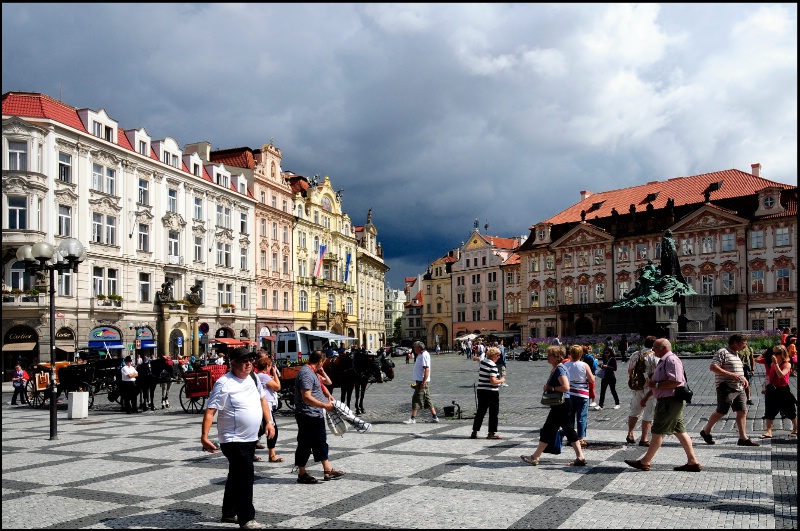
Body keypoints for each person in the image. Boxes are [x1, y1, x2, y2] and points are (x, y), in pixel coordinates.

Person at [201, 347, 274, 529]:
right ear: (232, 364)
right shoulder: (224, 383)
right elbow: (211, 411)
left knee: (236, 475)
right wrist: (204, 436)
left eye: (250, 360)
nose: (248, 363)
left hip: (250, 438)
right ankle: (246, 519)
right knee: (246, 476)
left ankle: (228, 512)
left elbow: (262, 399)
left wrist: (269, 422)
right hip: (232, 439)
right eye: (244, 361)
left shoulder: (253, 378)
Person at [624, 338, 702, 472]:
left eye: (655, 347)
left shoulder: (671, 360)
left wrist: (657, 386)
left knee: (657, 431)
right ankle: (692, 461)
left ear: (663, 348)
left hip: (669, 401)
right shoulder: (663, 360)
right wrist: (648, 395)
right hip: (667, 400)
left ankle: (645, 461)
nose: (652, 350)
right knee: (679, 431)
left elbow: (676, 381)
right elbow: (656, 383)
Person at [520, 345, 587, 466]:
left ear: (556, 357)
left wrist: (550, 387)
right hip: (561, 404)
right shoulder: (557, 368)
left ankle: (535, 457)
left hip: (562, 404)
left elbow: (566, 387)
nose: (547, 357)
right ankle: (580, 457)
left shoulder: (560, 369)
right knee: (558, 429)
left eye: (549, 355)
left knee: (553, 429)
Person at [699, 334, 759, 447]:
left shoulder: (736, 354)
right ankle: (706, 431)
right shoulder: (722, 352)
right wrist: (731, 375)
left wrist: (743, 378)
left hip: (739, 387)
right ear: (735, 343)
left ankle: (743, 438)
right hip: (726, 386)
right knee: (722, 411)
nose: (745, 346)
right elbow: (713, 367)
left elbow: (737, 370)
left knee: (742, 411)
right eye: (743, 344)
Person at [294, 350, 344, 484]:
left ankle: (327, 470)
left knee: (320, 441)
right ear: (320, 361)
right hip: (307, 414)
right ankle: (302, 473)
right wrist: (325, 405)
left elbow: (327, 383)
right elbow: (306, 397)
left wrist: (322, 372)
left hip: (315, 414)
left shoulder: (313, 372)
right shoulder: (306, 373)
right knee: (305, 444)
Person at [759, 345, 798, 439]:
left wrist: (776, 364)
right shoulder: (772, 364)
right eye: (774, 353)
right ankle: (768, 431)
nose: (775, 355)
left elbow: (781, 375)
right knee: (769, 410)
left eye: (778, 353)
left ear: (783, 353)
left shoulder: (787, 364)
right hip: (772, 390)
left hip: (783, 390)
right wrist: (766, 386)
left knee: (790, 411)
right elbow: (770, 376)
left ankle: (796, 429)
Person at [626, 336, 658, 446]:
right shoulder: (655, 356)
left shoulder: (635, 354)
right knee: (648, 413)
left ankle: (630, 433)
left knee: (634, 411)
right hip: (650, 387)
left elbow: (630, 371)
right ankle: (644, 439)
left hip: (637, 387)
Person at [470, 346, 505, 439]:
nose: (499, 357)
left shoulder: (484, 362)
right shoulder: (493, 366)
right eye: (498, 355)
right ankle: (491, 433)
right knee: (493, 413)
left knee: (480, 412)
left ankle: (475, 431)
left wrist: (476, 358)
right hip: (491, 392)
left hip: (481, 390)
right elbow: (493, 381)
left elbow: (479, 360)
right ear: (493, 355)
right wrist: (501, 380)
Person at [564, 344, 595, 447]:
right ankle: (580, 438)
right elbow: (592, 379)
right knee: (582, 417)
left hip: (570, 393)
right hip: (582, 394)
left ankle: (571, 439)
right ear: (581, 354)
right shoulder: (584, 365)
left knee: (570, 417)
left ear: (570, 354)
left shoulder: (566, 365)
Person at [254, 356, 283, 462]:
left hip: (265, 406)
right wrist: (275, 373)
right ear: (267, 366)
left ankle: (251, 452)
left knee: (260, 430)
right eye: (270, 366)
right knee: (272, 430)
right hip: (266, 406)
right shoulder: (263, 376)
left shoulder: (259, 376)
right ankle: (272, 455)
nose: (271, 368)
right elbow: (278, 387)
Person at [403, 341, 439, 424]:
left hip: (422, 381)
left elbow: (427, 369)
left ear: (419, 348)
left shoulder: (424, 355)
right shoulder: (421, 355)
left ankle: (413, 418)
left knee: (415, 398)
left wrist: (423, 382)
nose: (413, 349)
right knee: (427, 399)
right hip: (420, 380)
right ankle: (435, 417)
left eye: (415, 347)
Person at [737, 339, 756, 405]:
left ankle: (748, 399)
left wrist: (752, 369)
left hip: (747, 367)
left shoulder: (749, 349)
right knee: (737, 382)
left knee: (747, 383)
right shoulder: (737, 350)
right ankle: (737, 398)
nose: (743, 344)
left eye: (744, 342)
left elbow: (751, 359)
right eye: (742, 342)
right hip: (738, 367)